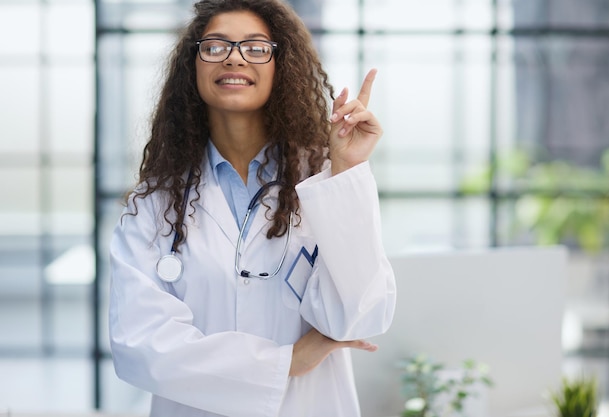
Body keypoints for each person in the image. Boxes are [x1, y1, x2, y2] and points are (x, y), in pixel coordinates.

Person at [108, 0, 396, 416]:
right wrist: (287, 362)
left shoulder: (326, 183)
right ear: (194, 65)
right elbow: (140, 345)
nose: (235, 57)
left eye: (256, 48)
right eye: (216, 46)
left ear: (282, 66)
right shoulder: (154, 203)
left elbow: (360, 314)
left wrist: (346, 170)